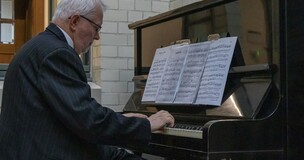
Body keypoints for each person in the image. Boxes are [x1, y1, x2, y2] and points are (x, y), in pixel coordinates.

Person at [0, 0, 174, 159]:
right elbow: (89, 121)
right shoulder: (57, 53)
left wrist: (125, 120)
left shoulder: (41, 45)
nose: (97, 37)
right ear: (75, 21)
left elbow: (78, 113)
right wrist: (145, 124)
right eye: (96, 28)